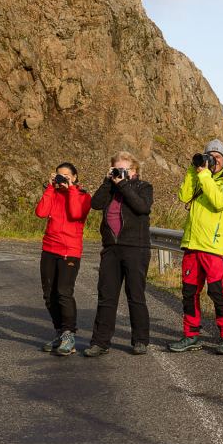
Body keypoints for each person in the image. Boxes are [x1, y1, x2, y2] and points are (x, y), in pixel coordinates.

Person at [168, 139, 223, 355]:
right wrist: (194, 170)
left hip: (214, 246)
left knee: (217, 291)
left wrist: (204, 175)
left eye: (217, 157)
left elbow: (219, 201)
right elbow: (183, 196)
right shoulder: (201, 176)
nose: (213, 160)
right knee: (189, 292)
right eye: (210, 156)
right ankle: (190, 335)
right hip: (193, 244)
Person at [84, 151, 154, 357]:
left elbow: (142, 207)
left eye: (124, 169)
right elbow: (95, 204)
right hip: (111, 248)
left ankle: (140, 340)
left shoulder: (144, 187)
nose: (119, 172)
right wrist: (108, 182)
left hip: (136, 248)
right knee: (106, 296)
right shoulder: (110, 188)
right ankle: (100, 342)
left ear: (134, 170)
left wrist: (123, 184)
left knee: (135, 295)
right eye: (116, 169)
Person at [35, 162, 92, 356]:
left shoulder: (83, 196)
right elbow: (41, 212)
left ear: (74, 177)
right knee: (48, 294)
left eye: (66, 176)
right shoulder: (53, 192)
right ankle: (60, 333)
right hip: (49, 248)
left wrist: (71, 189)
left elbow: (76, 213)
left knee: (63, 292)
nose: (62, 179)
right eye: (59, 175)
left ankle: (69, 335)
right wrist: (51, 187)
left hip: (70, 250)